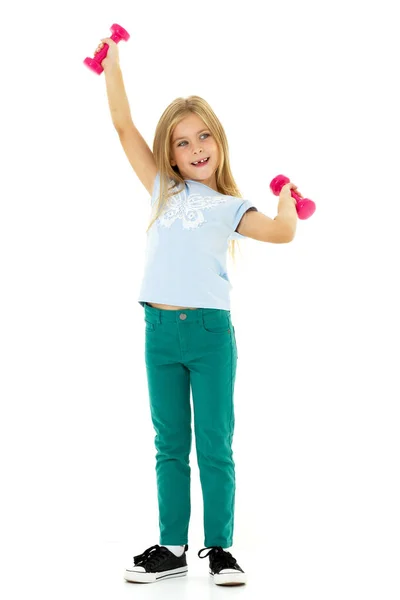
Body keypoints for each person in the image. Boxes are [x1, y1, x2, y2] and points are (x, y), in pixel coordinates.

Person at [94, 36, 299, 586]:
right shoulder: (162, 188)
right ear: (171, 154)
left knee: (214, 440)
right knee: (169, 444)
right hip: (158, 332)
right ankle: (170, 546)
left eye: (205, 135)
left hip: (210, 336)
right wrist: (112, 64)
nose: (197, 148)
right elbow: (122, 125)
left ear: (220, 141)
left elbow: (281, 233)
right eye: (184, 143)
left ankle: (220, 549)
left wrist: (287, 201)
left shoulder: (231, 207)